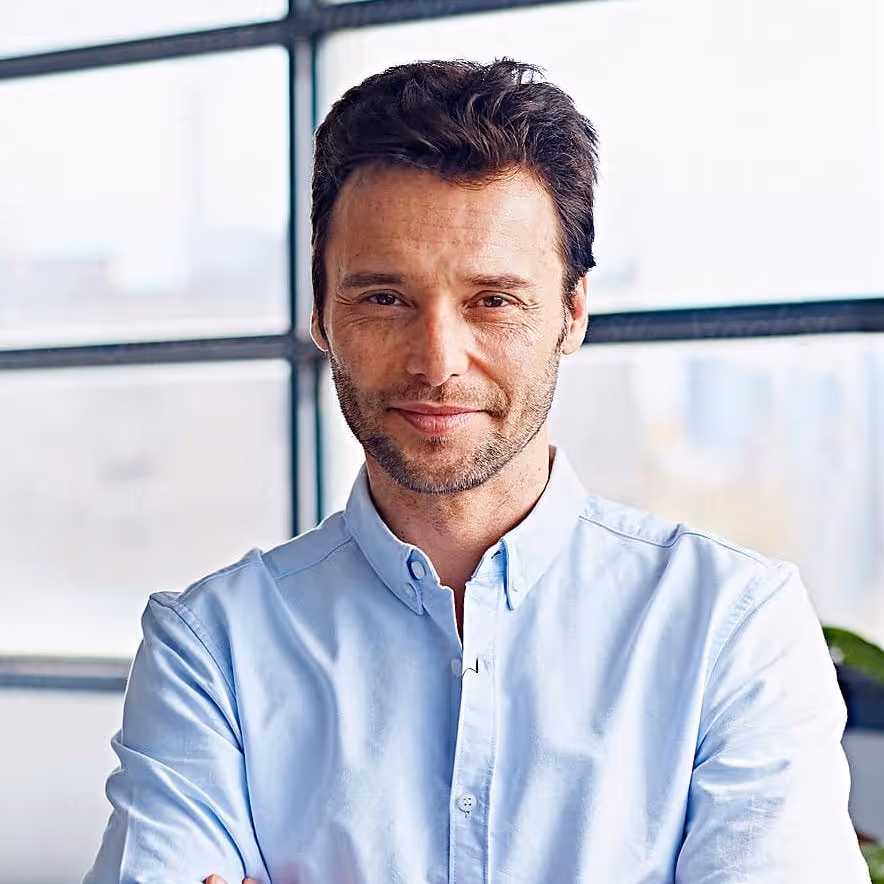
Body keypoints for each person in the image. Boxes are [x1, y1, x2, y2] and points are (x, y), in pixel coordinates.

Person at [85, 59, 870, 883]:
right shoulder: (210, 648)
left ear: (572, 313)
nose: (437, 361)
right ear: (319, 314)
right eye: (384, 298)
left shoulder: (733, 628)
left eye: (493, 300)